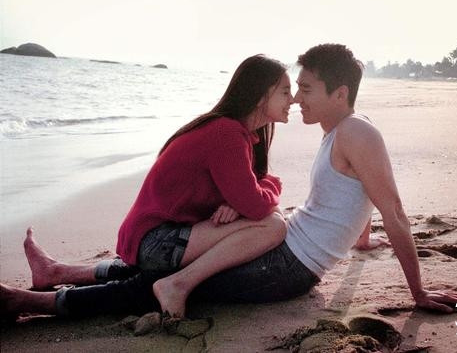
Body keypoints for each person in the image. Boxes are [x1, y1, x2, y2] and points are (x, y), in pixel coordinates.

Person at [1, 44, 457, 319]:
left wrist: (418, 292)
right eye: (293, 90)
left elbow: (393, 210)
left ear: (339, 93)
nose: (297, 99)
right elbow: (360, 193)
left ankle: (29, 302)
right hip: (284, 248)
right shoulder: (340, 132)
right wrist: (360, 240)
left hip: (289, 267)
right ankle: (58, 275)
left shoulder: (356, 133)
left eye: (306, 89)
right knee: (166, 274)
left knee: (162, 283)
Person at [7, 54, 295, 318]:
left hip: (150, 236)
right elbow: (257, 205)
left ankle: (56, 272)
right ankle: (176, 285)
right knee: (272, 225)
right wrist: (256, 195)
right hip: (156, 240)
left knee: (148, 280)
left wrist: (241, 201)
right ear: (261, 94)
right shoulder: (227, 134)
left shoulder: (237, 133)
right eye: (285, 91)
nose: (292, 99)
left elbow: (252, 191)